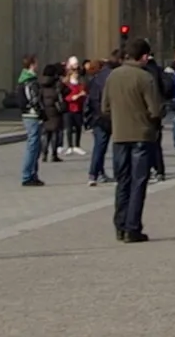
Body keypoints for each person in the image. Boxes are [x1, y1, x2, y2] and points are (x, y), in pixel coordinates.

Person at [100, 39, 165, 243]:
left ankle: (119, 225)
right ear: (144, 56)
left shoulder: (113, 76)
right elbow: (155, 110)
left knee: (123, 182)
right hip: (141, 135)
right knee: (138, 182)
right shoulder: (145, 78)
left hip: (120, 135)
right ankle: (132, 227)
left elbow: (105, 108)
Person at [86, 51, 118, 185]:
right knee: (113, 146)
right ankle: (98, 173)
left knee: (99, 146)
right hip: (109, 115)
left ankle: (96, 173)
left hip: (97, 116)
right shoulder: (112, 76)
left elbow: (91, 99)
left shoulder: (95, 79)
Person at [17, 55, 46, 186]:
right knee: (33, 146)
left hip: (27, 114)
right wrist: (41, 113)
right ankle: (28, 175)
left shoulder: (23, 79)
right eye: (36, 63)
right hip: (32, 115)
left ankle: (32, 174)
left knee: (35, 145)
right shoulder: (30, 80)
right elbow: (34, 99)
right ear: (32, 64)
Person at [63, 63, 87, 156]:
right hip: (68, 108)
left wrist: (82, 96)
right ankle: (70, 146)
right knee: (69, 128)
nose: (76, 74)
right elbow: (66, 97)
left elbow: (84, 94)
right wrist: (75, 96)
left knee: (78, 127)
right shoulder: (67, 84)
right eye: (74, 73)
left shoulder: (80, 84)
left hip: (78, 108)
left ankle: (77, 145)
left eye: (77, 73)